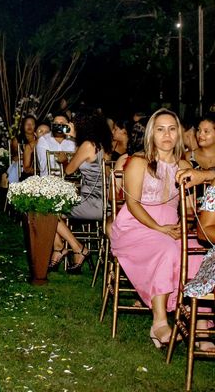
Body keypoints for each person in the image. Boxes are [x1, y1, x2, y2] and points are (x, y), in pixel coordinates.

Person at [110, 108, 203, 349]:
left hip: (170, 226)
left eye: (172, 129)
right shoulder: (139, 161)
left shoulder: (184, 164)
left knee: (198, 254)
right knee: (167, 250)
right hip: (136, 226)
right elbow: (132, 204)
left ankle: (198, 324)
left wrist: (186, 223)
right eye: (160, 129)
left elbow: (189, 208)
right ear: (152, 133)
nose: (167, 135)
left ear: (179, 133)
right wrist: (159, 228)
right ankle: (159, 321)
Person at [48, 110, 113, 273]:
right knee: (50, 207)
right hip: (104, 204)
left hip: (91, 203)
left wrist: (64, 160)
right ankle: (60, 248)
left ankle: (76, 248)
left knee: (47, 210)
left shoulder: (87, 145)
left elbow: (69, 171)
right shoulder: (102, 146)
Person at [9, 115, 36, 182]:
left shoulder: (39, 139)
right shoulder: (17, 140)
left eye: (32, 124)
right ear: (23, 126)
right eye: (27, 124)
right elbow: (14, 155)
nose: (29, 126)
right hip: (21, 165)